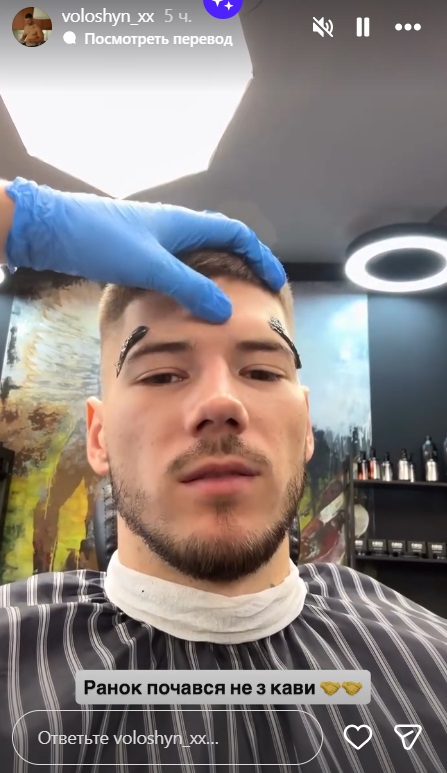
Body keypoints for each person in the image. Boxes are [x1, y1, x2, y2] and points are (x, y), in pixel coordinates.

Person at [0, 177, 446, 772]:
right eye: (162, 374)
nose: (220, 403)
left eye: (261, 372)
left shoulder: (432, 666)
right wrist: (17, 217)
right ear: (99, 436)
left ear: (306, 426)